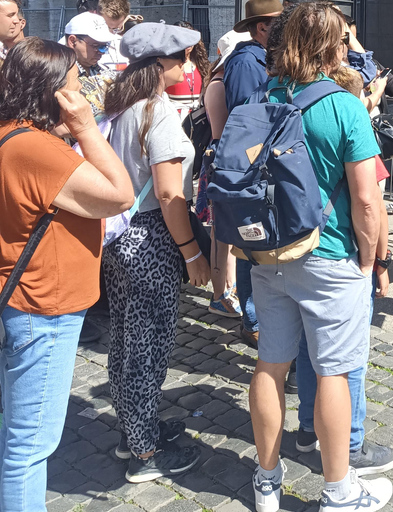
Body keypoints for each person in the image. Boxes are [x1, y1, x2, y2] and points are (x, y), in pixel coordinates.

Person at [248, 3, 392, 511]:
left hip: (269, 252)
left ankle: (266, 482)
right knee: (332, 374)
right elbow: (366, 199)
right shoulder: (343, 106)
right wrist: (369, 261)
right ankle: (338, 491)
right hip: (328, 254)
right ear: (330, 46)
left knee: (271, 365)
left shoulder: (262, 97)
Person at [0, 37, 133, 511]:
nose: (85, 95)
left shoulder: (12, 134)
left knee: (17, 433)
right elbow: (120, 195)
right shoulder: (36, 150)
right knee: (30, 446)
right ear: (53, 91)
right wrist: (85, 128)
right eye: (77, 86)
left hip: (24, 297)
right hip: (45, 305)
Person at [103, 22, 208, 483]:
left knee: (126, 339)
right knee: (149, 345)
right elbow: (169, 194)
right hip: (151, 236)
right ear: (159, 64)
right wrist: (190, 253)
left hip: (119, 238)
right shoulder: (156, 112)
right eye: (182, 57)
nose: (188, 65)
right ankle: (145, 453)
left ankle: (134, 430)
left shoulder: (120, 104)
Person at [224, 0, 283, 349]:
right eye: (279, 22)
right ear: (262, 27)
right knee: (250, 245)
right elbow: (250, 121)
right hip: (252, 168)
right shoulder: (248, 62)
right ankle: (252, 320)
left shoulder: (262, 58)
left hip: (262, 166)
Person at [197, 29, 250, 322]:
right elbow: (223, 132)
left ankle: (227, 289)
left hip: (222, 157)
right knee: (220, 231)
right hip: (221, 158)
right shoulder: (219, 85)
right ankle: (219, 294)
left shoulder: (221, 81)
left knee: (226, 232)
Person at [167, 21, 210, 117]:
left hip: (198, 119)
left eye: (190, 38)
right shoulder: (166, 65)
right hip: (174, 117)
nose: (188, 43)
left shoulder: (201, 64)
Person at [61, 12, 116, 77]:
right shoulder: (59, 75)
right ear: (72, 41)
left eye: (104, 46)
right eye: (95, 46)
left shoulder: (103, 71)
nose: (102, 52)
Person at [97, 0, 131, 72]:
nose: (111, 34)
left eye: (116, 29)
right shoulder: (86, 44)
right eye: (106, 27)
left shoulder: (127, 44)